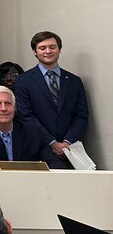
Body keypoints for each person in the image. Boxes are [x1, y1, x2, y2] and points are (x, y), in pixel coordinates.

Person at [15, 31, 89, 159]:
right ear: (35, 51)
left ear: (59, 50)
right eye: (42, 48)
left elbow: (81, 115)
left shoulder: (74, 81)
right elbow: (26, 116)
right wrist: (53, 143)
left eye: (52, 47)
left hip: (71, 149)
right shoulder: (23, 80)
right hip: (38, 148)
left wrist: (67, 142)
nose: (48, 51)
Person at [0, 86, 63, 168]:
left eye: (8, 103)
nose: (3, 108)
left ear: (14, 107)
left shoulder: (33, 132)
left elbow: (55, 164)